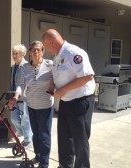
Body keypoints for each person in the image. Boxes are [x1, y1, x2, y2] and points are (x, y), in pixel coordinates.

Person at [42, 29, 95, 168]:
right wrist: (53, 85)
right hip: (66, 101)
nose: (46, 49)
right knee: (64, 137)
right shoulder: (57, 56)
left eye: (46, 45)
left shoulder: (73, 53)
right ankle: (65, 165)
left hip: (80, 101)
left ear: (52, 42)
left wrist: (63, 90)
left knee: (80, 140)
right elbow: (58, 76)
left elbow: (88, 76)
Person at [8, 41, 54, 168]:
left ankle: (44, 164)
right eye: (34, 49)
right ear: (29, 52)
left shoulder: (50, 64)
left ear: (42, 52)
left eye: (39, 50)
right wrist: (15, 97)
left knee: (44, 135)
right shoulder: (25, 68)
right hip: (31, 105)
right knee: (36, 134)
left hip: (46, 106)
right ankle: (38, 155)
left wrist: (53, 86)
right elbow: (21, 85)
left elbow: (57, 78)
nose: (36, 52)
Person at [10, 44, 33, 148]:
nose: (14, 56)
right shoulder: (13, 66)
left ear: (23, 54)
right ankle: (22, 133)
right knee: (14, 118)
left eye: (16, 54)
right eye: (13, 54)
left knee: (25, 118)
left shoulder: (27, 66)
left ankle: (28, 140)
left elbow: (26, 84)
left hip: (23, 97)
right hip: (13, 96)